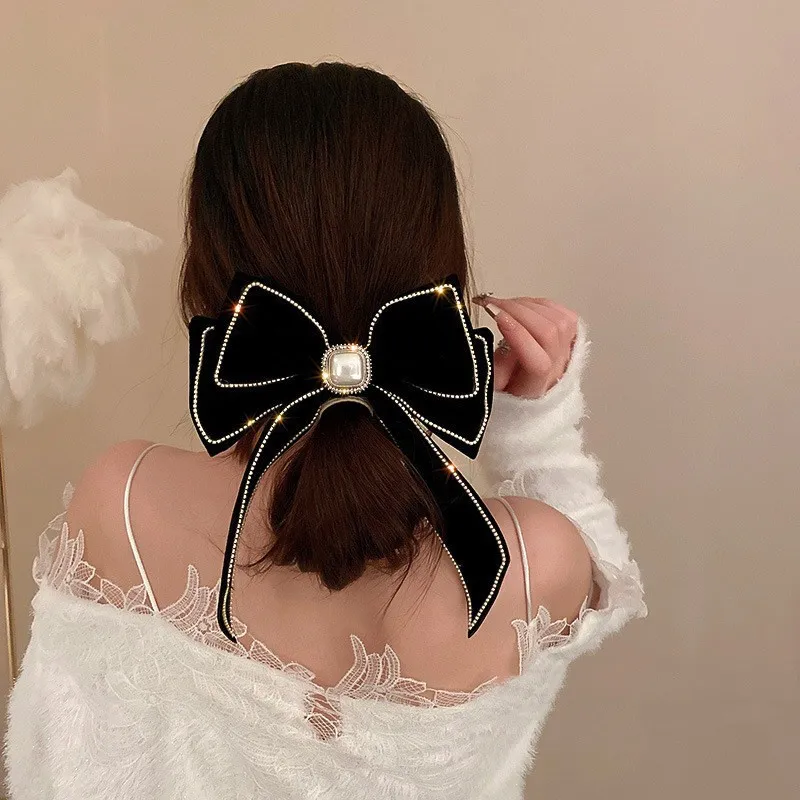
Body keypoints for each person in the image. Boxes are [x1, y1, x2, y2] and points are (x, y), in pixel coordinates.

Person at [4, 62, 647, 799]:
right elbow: (600, 573)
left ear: (205, 283)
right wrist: (537, 429)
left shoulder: (123, 502)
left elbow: (57, 775)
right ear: (444, 282)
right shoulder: (534, 563)